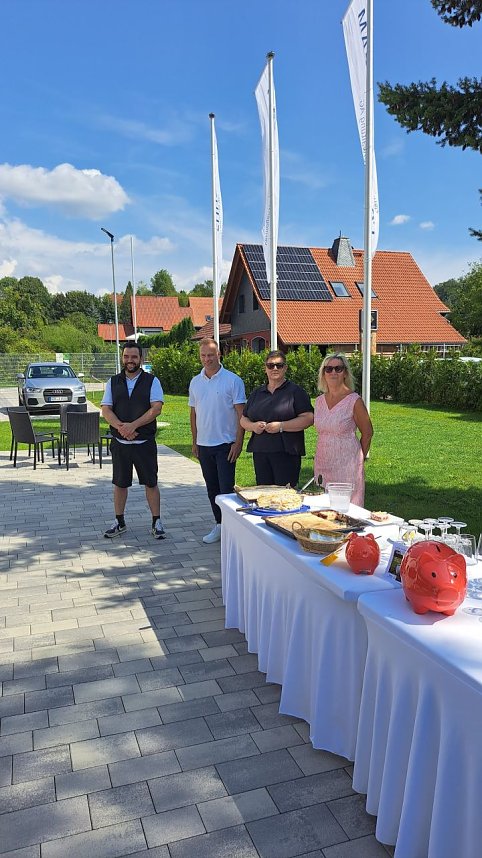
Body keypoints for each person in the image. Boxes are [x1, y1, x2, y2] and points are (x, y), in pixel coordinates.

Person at [101, 342, 166, 539]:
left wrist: (134, 425)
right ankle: (119, 521)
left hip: (144, 443)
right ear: (123, 358)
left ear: (141, 359)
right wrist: (123, 427)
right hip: (121, 443)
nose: (130, 360)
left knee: (151, 483)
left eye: (134, 357)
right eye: (127, 357)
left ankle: (157, 521)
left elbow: (156, 409)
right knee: (120, 483)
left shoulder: (152, 381)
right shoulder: (113, 382)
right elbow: (106, 409)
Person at [189, 338, 246, 544]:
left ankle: (233, 530)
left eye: (211, 355)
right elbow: (193, 414)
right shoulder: (195, 382)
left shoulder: (233, 380)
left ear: (219, 354)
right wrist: (195, 442)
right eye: (203, 355)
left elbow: (242, 415)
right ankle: (220, 525)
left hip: (226, 445)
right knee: (212, 489)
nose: (207, 359)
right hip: (204, 445)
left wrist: (238, 443)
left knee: (226, 490)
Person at [240, 350, 314, 488]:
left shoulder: (295, 392)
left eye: (279, 365)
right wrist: (253, 426)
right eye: (270, 365)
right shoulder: (257, 393)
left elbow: (309, 418)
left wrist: (281, 426)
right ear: (265, 369)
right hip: (261, 452)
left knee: (285, 496)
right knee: (263, 494)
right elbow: (243, 419)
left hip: (286, 453)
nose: (274, 368)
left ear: (285, 368)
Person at [314, 352, 373, 506]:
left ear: (345, 373)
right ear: (323, 373)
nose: (333, 372)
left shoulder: (354, 400)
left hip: (347, 464)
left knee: (347, 509)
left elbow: (367, 433)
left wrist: (358, 459)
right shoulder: (319, 401)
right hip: (323, 460)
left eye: (338, 369)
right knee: (322, 508)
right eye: (328, 369)